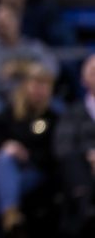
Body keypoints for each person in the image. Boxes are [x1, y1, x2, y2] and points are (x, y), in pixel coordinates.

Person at [0, 63, 58, 238]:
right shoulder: (9, 113)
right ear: (25, 86)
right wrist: (3, 148)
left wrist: (25, 155)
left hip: (34, 171)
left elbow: (52, 154)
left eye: (45, 85)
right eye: (36, 84)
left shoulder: (52, 118)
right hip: (6, 168)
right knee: (4, 161)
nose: (40, 90)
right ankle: (11, 217)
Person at [53, 54, 95, 236]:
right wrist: (89, 154)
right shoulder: (72, 112)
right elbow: (62, 146)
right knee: (72, 162)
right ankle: (85, 211)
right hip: (82, 169)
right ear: (83, 80)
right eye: (94, 72)